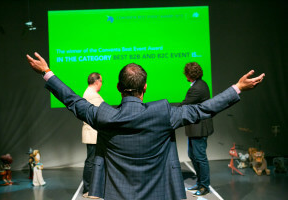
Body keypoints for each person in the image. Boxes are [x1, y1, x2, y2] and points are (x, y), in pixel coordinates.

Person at [26, 52, 264, 200]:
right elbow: (204, 109)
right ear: (146, 88)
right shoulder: (164, 113)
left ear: (118, 88)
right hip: (159, 193)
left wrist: (47, 73)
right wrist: (238, 88)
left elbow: (72, 100)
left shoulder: (104, 115)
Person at [179, 62, 213, 196]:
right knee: (193, 155)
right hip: (196, 127)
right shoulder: (201, 84)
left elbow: (185, 104)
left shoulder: (196, 88)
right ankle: (200, 183)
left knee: (200, 157)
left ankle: (204, 186)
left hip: (199, 128)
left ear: (189, 75)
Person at [82, 73, 103, 199]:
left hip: (93, 132)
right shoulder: (92, 95)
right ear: (96, 81)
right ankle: (88, 190)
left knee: (93, 160)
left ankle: (91, 189)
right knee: (91, 161)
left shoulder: (89, 93)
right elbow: (100, 113)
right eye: (101, 81)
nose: (101, 84)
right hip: (93, 132)